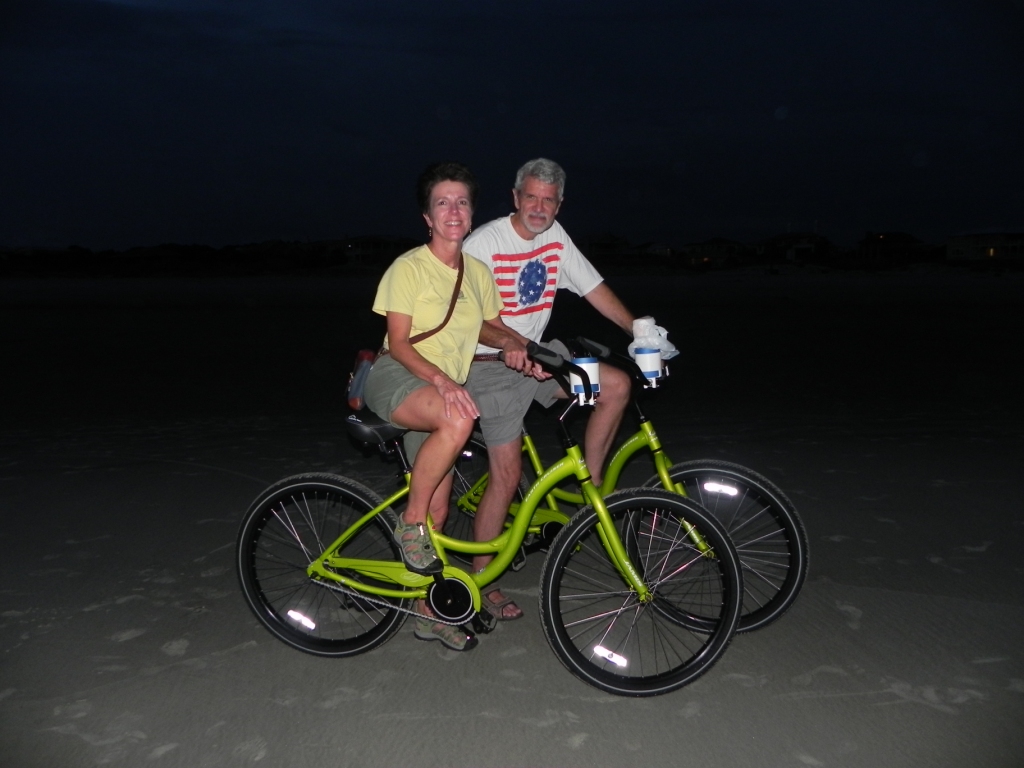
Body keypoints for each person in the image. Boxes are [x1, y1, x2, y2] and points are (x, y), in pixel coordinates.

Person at [461, 158, 642, 620]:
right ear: (516, 197)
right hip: (488, 365)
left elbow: (593, 287)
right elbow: (471, 321)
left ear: (559, 204)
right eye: (532, 197)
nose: (540, 208)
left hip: (539, 354)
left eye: (549, 200)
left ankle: (592, 490)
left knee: (616, 385)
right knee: (506, 474)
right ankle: (482, 581)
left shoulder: (555, 237)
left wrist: (638, 328)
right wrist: (514, 347)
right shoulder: (484, 242)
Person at [363, 161, 504, 652]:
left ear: (471, 214)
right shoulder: (408, 267)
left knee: (439, 518)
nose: (453, 210)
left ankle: (426, 614)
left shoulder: (479, 274)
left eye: (461, 202)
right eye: (442, 202)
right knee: (459, 417)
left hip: (438, 395)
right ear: (427, 215)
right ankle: (407, 524)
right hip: (398, 377)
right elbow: (399, 343)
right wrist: (444, 381)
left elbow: (489, 328)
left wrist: (526, 350)